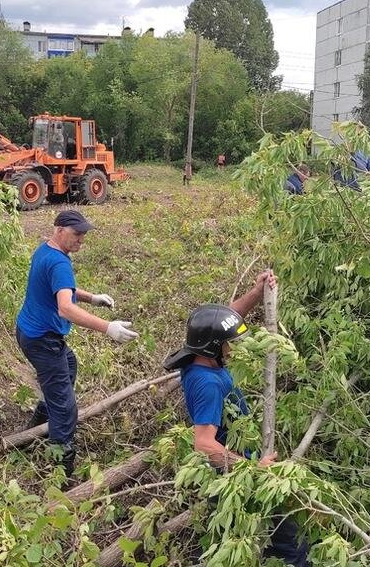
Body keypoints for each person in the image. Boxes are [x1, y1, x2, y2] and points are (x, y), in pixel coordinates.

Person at [163, 271, 310, 566]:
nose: (237, 346)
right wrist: (255, 469)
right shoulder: (208, 383)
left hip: (239, 469)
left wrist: (256, 293)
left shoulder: (201, 356)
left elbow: (225, 318)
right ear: (214, 346)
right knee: (290, 543)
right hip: (236, 474)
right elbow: (204, 443)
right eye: (230, 343)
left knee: (235, 537)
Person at [16, 209, 140, 475]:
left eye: (84, 234)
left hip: (29, 331)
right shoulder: (59, 262)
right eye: (76, 234)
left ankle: (37, 424)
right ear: (59, 230)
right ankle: (61, 471)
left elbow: (63, 288)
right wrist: (108, 328)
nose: (81, 239)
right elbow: (65, 308)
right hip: (42, 340)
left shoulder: (46, 251)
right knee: (66, 409)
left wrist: (92, 297)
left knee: (69, 365)